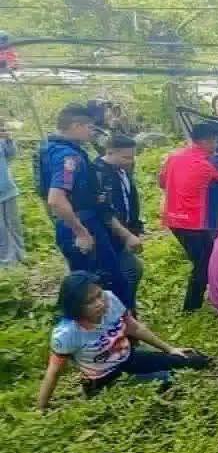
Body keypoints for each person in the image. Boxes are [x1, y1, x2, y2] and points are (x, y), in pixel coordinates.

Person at [37, 271, 209, 411]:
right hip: (104, 378)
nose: (99, 303)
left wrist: (170, 349)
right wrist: (41, 407)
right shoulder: (66, 333)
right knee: (167, 379)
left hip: (128, 358)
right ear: (75, 306)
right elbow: (54, 371)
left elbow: (134, 327)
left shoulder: (110, 299)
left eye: (99, 295)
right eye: (90, 301)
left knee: (195, 360)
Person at [37, 104, 139, 309]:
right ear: (76, 126)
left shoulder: (49, 149)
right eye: (90, 127)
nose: (93, 132)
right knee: (103, 285)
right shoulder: (68, 156)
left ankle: (117, 325)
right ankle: (119, 327)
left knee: (94, 284)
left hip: (74, 222)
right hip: (84, 223)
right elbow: (56, 199)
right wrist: (81, 232)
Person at [159, 122, 218, 311]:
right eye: (215, 141)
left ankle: (209, 296)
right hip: (191, 222)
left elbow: (162, 182)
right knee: (204, 263)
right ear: (206, 141)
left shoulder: (173, 157)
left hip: (173, 218)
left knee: (205, 257)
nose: (217, 145)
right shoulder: (205, 165)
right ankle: (191, 307)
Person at [94, 134, 145, 301]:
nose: (130, 161)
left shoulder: (122, 169)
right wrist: (126, 235)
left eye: (132, 156)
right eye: (126, 157)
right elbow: (104, 212)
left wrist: (134, 229)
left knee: (131, 271)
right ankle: (122, 310)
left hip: (122, 232)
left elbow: (129, 199)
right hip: (106, 235)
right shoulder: (98, 174)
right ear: (110, 152)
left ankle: (125, 309)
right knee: (129, 272)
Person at [0, 122, 25, 266]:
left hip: (8, 188)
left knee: (14, 224)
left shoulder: (1, 141)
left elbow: (11, 155)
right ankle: (7, 261)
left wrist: (9, 139)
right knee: (1, 228)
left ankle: (20, 254)